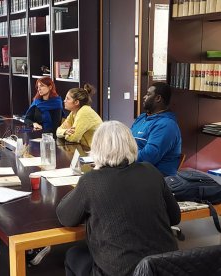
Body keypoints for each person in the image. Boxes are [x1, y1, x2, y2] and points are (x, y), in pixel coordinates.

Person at [56, 121, 181, 276]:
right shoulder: (151, 171)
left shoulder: (91, 181)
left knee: (73, 254)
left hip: (120, 271)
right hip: (164, 267)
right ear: (131, 144)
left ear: (96, 149)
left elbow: (65, 217)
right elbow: (175, 217)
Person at [131, 82, 182, 176]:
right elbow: (126, 141)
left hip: (155, 179)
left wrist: (123, 155)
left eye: (148, 94)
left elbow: (148, 157)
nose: (144, 97)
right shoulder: (142, 118)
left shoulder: (166, 125)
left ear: (158, 98)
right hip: (135, 171)